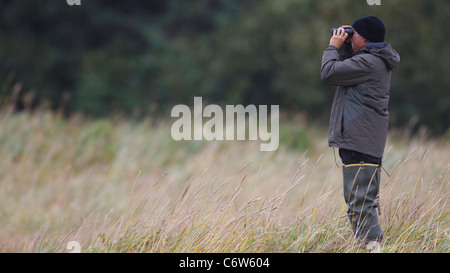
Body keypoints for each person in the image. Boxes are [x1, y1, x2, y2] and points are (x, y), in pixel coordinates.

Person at [320, 15, 400, 248]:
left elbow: (329, 73)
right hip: (363, 141)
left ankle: (372, 247)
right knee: (364, 201)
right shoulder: (370, 60)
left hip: (359, 142)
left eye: (353, 34)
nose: (348, 37)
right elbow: (343, 71)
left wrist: (332, 46)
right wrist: (346, 47)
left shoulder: (368, 63)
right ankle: (369, 246)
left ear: (364, 38)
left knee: (360, 204)